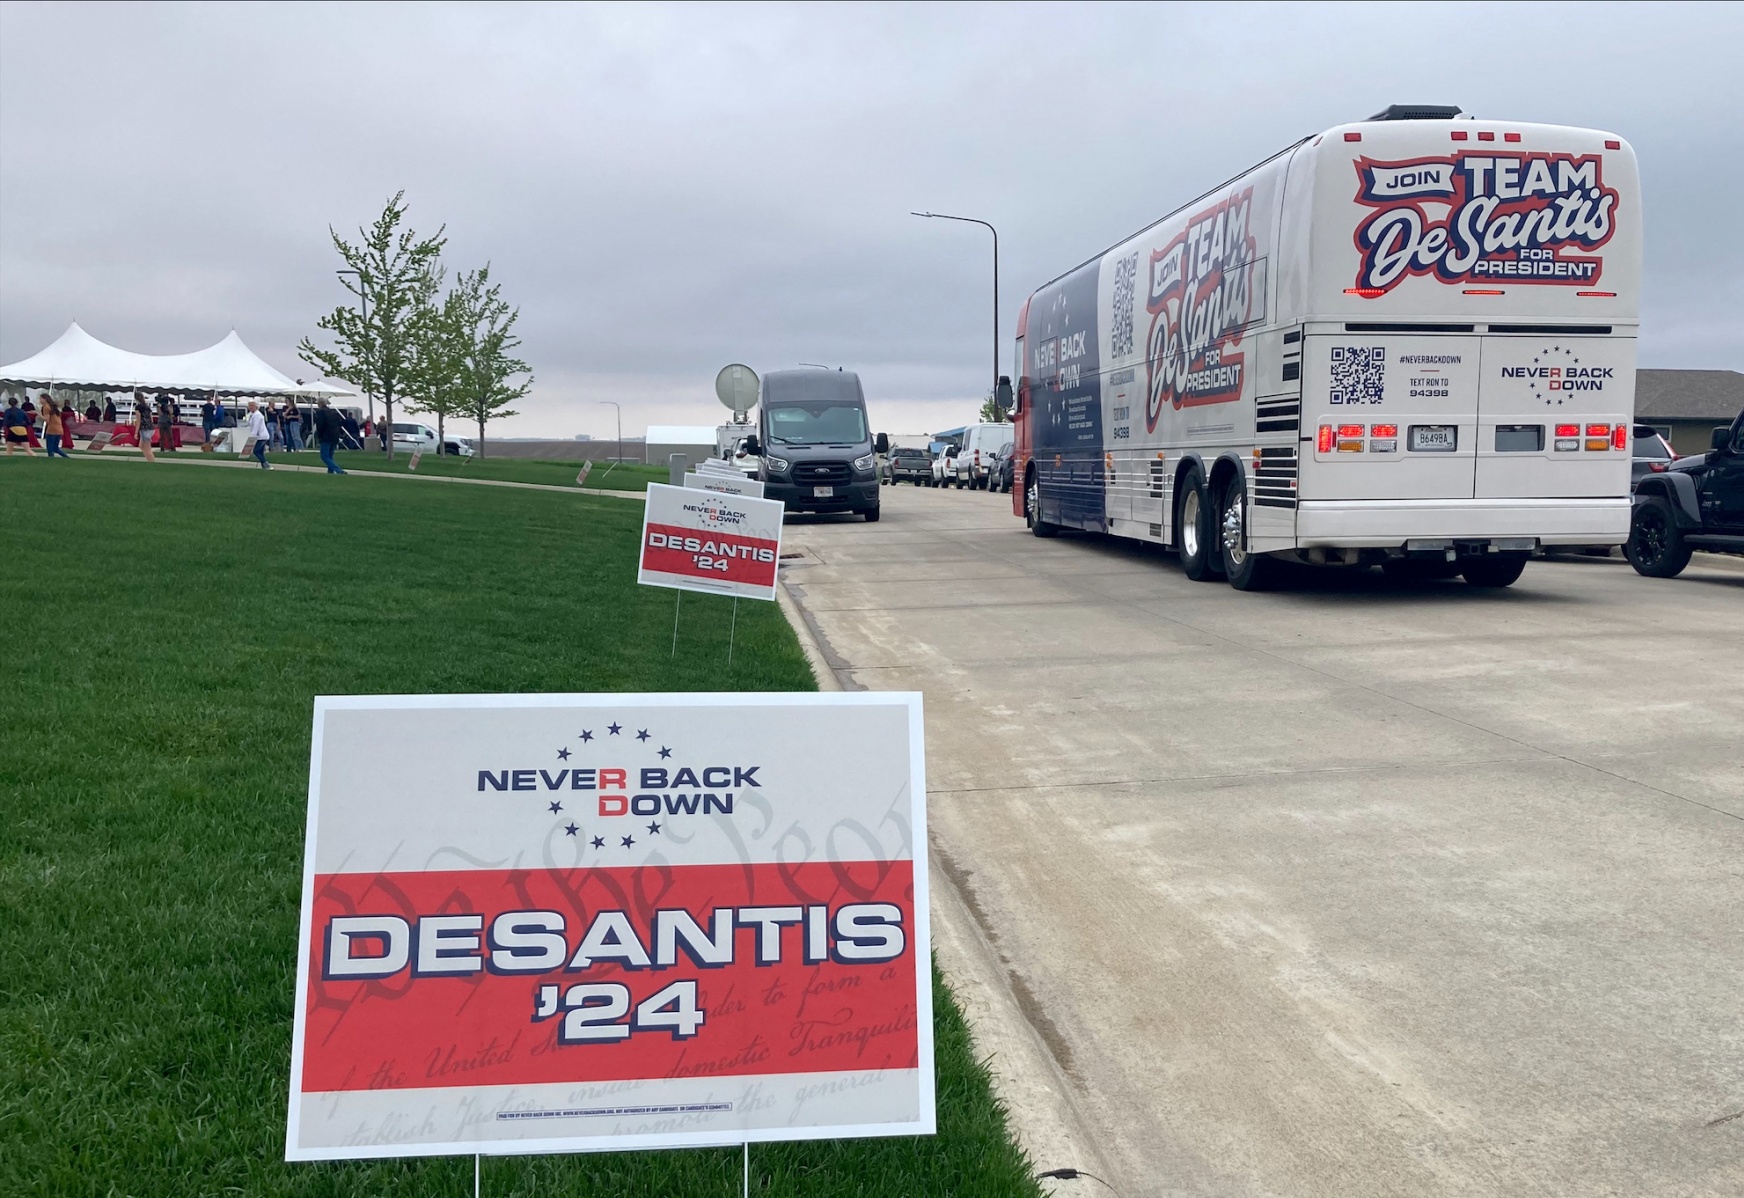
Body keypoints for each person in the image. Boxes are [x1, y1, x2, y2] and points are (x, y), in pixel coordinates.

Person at [313, 397, 346, 474]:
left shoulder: (320, 412)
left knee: (324, 456)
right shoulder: (333, 412)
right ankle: (330, 471)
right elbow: (340, 423)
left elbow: (320, 425)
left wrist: (319, 435)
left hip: (325, 436)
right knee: (330, 455)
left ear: (319, 404)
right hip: (335, 435)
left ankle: (339, 470)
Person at [244, 400, 271, 469]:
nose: (250, 407)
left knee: (256, 451)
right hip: (259, 436)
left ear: (256, 406)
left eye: (252, 405)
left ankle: (266, 464)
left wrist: (252, 438)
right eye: (249, 405)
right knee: (260, 452)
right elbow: (247, 422)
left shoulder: (258, 415)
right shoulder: (251, 414)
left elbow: (256, 427)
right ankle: (264, 466)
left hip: (261, 436)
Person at [133, 392, 156, 462]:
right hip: (150, 427)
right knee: (141, 445)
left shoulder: (138, 407)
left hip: (144, 428)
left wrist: (136, 433)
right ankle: (149, 459)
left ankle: (151, 461)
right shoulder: (147, 407)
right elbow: (151, 418)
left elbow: (138, 421)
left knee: (147, 448)